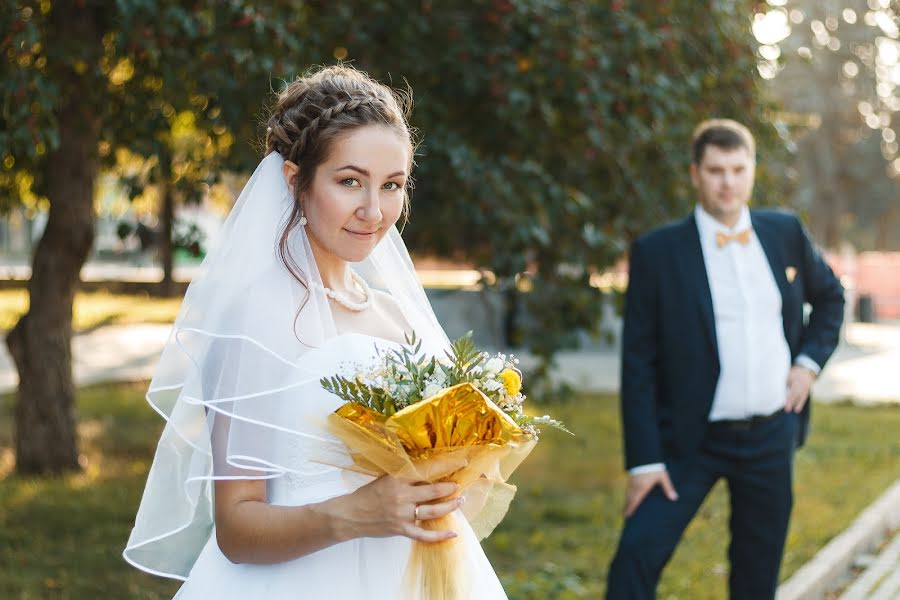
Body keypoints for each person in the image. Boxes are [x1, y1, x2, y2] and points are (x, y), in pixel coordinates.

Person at [124, 65, 508, 599]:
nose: (374, 212)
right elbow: (237, 527)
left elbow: (446, 486)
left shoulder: (396, 317)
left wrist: (469, 467)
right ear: (294, 180)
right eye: (350, 181)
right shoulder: (255, 319)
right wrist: (357, 514)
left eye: (392, 186)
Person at [605, 119, 845, 600]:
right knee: (636, 556)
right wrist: (644, 460)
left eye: (738, 168)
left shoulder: (784, 232)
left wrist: (808, 364)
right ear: (695, 173)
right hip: (689, 439)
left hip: (772, 434)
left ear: (752, 169)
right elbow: (638, 364)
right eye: (716, 170)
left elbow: (831, 298)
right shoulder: (658, 252)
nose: (728, 182)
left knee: (757, 575)